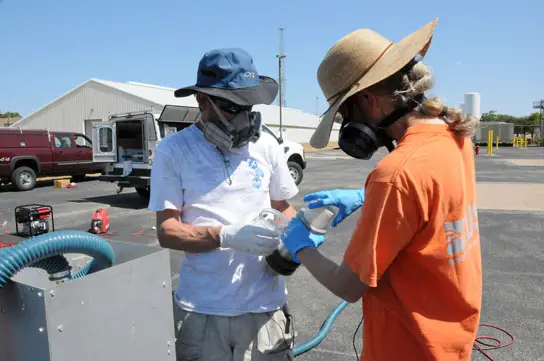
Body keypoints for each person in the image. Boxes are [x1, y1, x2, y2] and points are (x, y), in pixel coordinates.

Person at [280, 18, 483, 361]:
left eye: (345, 113)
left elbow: (349, 286)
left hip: (407, 349)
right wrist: (367, 197)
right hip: (450, 342)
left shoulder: (395, 175)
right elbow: (435, 201)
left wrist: (300, 247)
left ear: (370, 101)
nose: (347, 126)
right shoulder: (455, 135)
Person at [148, 48, 299, 361]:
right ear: (203, 102)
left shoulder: (267, 144)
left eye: (249, 106)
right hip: (202, 313)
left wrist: (289, 235)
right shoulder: (173, 151)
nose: (245, 118)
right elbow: (167, 231)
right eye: (232, 107)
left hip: (264, 310)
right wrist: (225, 236)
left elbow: (284, 208)